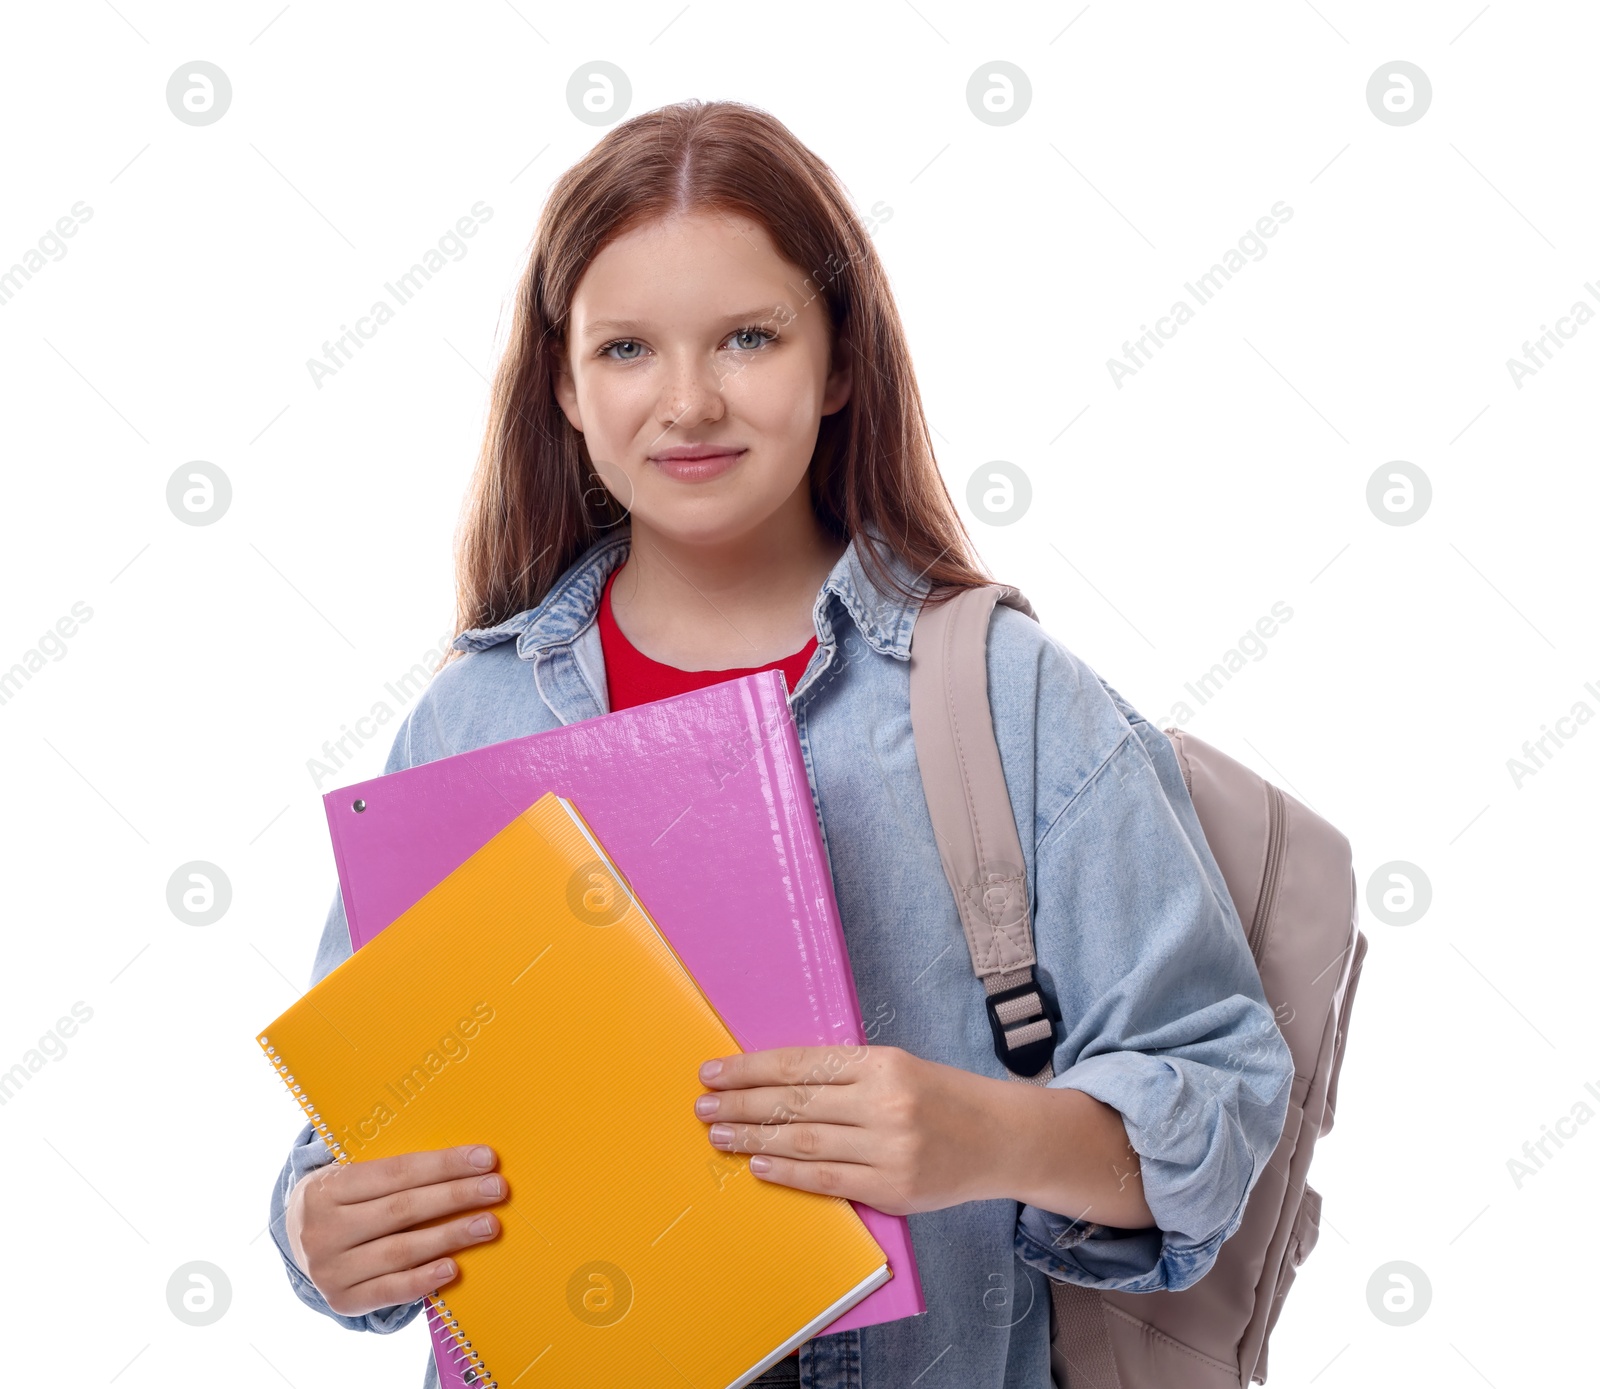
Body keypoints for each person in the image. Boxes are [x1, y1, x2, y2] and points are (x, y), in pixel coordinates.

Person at [268, 98, 1294, 1389]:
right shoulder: (465, 720)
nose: (688, 400)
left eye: (748, 336)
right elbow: (350, 1134)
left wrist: (991, 1135)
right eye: (629, 347)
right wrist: (322, 1230)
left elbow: (1224, 1085)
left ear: (840, 363)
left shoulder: (1007, 697)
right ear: (567, 388)